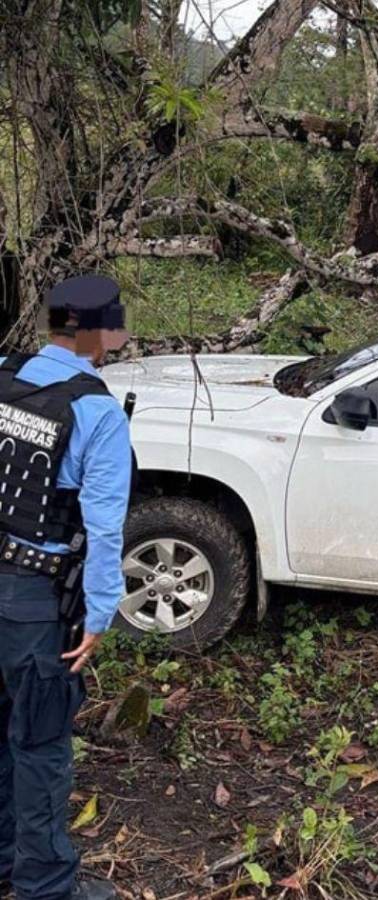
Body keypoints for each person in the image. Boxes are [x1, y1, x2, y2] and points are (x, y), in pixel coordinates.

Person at [0, 275, 132, 900]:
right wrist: (101, 615)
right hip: (35, 605)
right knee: (41, 741)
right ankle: (45, 885)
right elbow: (105, 527)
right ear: (99, 334)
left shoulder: (4, 373)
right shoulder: (97, 412)